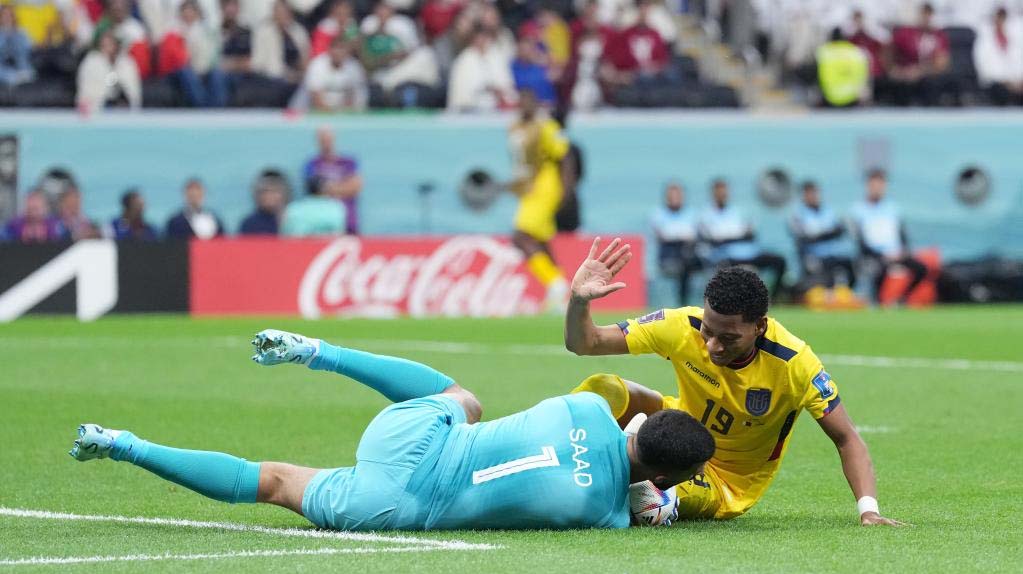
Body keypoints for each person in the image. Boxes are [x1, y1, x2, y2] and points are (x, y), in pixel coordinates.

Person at [69, 329, 716, 531]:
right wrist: (656, 500)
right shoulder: (601, 514)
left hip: (411, 439)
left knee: (462, 398)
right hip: (397, 507)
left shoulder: (582, 410)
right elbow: (636, 500)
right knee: (272, 483)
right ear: (663, 475)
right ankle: (122, 445)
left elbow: (622, 413)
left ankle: (318, 351)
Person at [564, 237, 906, 527]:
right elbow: (586, 343)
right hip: (678, 427)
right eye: (708, 331)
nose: (713, 346)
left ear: (759, 327)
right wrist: (579, 300)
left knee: (647, 501)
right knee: (605, 390)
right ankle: (558, 451)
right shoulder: (681, 325)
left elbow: (846, 438)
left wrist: (869, 511)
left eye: (728, 338)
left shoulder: (795, 364)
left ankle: (587, 479)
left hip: (724, 479)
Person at [506, 88, 571, 310]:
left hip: (546, 185)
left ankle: (555, 283)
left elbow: (565, 156)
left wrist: (566, 189)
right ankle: (562, 294)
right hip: (530, 187)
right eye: (521, 102)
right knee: (541, 241)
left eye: (528, 101)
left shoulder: (546, 127)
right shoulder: (516, 128)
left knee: (520, 236)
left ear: (536, 104)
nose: (524, 106)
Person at [848, 168, 926, 305]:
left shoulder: (893, 208)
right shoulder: (857, 210)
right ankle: (879, 302)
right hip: (874, 256)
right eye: (874, 185)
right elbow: (860, 242)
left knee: (921, 268)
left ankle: (901, 300)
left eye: (881, 185)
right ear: (868, 186)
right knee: (876, 269)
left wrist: (903, 252)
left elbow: (902, 236)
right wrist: (883, 255)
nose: (877, 189)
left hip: (896, 254)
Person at [698, 178, 787, 298]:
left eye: (724, 191)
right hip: (727, 257)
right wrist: (736, 236)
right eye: (719, 191)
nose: (722, 194)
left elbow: (749, 234)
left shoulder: (737, 211)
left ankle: (773, 297)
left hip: (750, 254)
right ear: (713, 193)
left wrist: (730, 237)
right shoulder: (706, 214)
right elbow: (714, 239)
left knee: (779, 261)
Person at [788, 180, 856, 289]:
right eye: (809, 193)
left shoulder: (828, 211)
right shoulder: (798, 215)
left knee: (850, 265)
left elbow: (839, 230)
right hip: (813, 257)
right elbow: (804, 238)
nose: (813, 196)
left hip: (832, 255)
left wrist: (823, 235)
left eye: (815, 193)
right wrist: (826, 234)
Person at [888, 2, 952, 106]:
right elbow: (888, 51)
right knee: (899, 84)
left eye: (928, 15)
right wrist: (893, 69)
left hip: (928, 75)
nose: (926, 19)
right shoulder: (905, 33)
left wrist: (920, 71)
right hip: (905, 74)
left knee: (931, 83)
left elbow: (941, 64)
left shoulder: (939, 36)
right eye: (923, 15)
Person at [648, 181, 701, 305]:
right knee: (684, 268)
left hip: (689, 256)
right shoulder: (658, 214)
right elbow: (663, 235)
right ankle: (683, 304)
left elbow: (696, 234)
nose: (675, 199)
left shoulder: (692, 214)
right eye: (672, 196)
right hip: (669, 257)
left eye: (678, 195)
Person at [303, 127, 361, 234]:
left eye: (328, 139)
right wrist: (343, 187)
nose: (326, 143)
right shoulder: (312, 164)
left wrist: (328, 188)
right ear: (318, 142)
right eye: (322, 140)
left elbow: (355, 187)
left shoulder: (348, 162)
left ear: (334, 139)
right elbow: (314, 190)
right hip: (322, 223)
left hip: (348, 221)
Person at [446, 25, 516, 112]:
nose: (482, 41)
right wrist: (487, 89)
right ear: (473, 39)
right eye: (478, 38)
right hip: (470, 109)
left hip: (498, 108)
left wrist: (500, 91)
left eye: (485, 37)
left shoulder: (497, 56)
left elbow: (507, 84)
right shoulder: (463, 60)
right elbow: (462, 92)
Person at [76, 31, 141, 111]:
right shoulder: (91, 62)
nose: (108, 48)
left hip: (124, 111)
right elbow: (85, 91)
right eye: (105, 45)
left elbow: (133, 91)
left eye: (111, 44)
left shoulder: (127, 62)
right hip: (97, 110)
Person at [299, 35, 368, 111]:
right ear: (329, 49)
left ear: (348, 51)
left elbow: (354, 95)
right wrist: (332, 113)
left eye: (342, 49)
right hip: (315, 111)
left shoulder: (354, 67)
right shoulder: (317, 65)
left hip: (344, 112)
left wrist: (344, 112)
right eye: (336, 48)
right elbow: (316, 98)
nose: (338, 52)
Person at [973, 6, 1023, 106]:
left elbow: (1019, 60)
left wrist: (1018, 80)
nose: (1000, 21)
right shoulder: (984, 39)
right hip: (996, 82)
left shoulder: (1016, 37)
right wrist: (1005, 81)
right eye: (998, 18)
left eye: (1003, 18)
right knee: (1001, 92)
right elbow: (983, 66)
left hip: (1016, 82)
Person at [281, 176, 347, 236]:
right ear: (325, 189)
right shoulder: (336, 206)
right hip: (329, 244)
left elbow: (284, 234)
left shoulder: (293, 207)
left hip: (297, 244)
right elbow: (340, 232)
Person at [239, 170, 290, 235]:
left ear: (285, 193)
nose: (269, 196)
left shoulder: (295, 219)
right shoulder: (249, 223)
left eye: (274, 191)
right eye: (265, 191)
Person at [0, 4, 36, 87]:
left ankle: (23, 74)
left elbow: (29, 48)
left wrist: (13, 35)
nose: (7, 17)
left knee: (18, 40)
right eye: (4, 15)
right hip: (3, 65)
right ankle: (13, 77)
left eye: (9, 15)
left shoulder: (21, 32)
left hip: (21, 65)